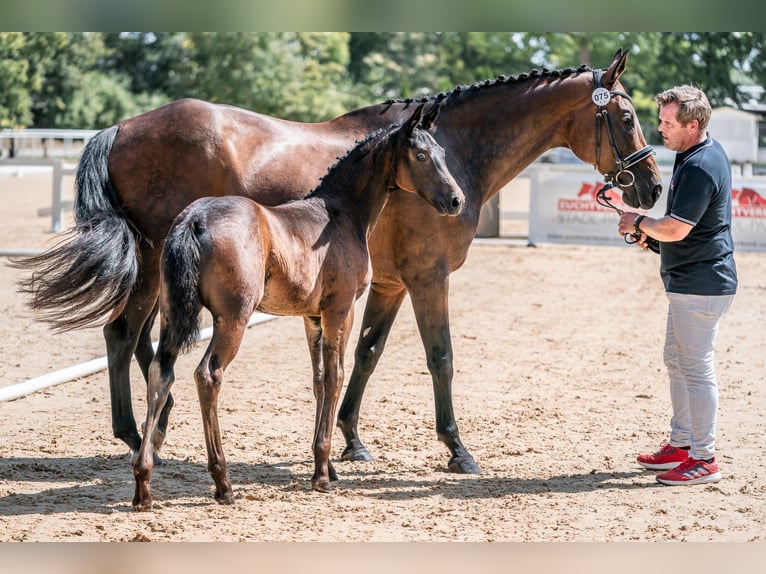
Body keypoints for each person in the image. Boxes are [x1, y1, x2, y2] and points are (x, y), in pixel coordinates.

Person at [617, 84, 738, 486]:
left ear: (692, 123)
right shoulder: (693, 156)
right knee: (678, 360)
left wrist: (638, 222)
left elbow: (675, 227)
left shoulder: (701, 165)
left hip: (701, 284)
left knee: (696, 368)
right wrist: (646, 236)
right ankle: (683, 445)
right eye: (662, 120)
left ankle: (704, 458)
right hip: (694, 280)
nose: (660, 128)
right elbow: (679, 233)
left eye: (668, 123)